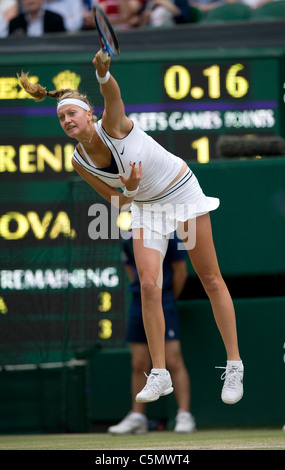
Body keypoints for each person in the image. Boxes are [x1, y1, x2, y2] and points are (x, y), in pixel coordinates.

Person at [17, 50, 244, 407]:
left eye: (71, 113)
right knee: (149, 286)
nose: (66, 121)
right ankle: (159, 373)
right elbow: (118, 202)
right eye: (61, 118)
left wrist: (104, 75)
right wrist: (133, 189)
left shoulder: (114, 124)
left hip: (181, 192)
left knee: (211, 279)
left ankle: (234, 363)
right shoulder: (79, 160)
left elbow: (112, 96)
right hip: (144, 207)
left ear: (88, 115)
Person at [108, 226, 196, 434]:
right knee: (139, 362)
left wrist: (166, 299)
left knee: (173, 361)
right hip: (139, 302)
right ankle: (138, 417)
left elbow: (180, 272)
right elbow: (131, 270)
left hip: (164, 300)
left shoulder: (172, 236)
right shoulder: (129, 237)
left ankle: (184, 415)